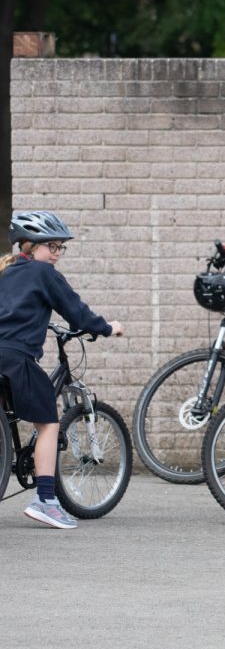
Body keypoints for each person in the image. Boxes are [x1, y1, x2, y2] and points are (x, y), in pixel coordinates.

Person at [0, 211, 124, 529]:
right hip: (16, 358)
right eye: (50, 246)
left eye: (60, 248)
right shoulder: (45, 274)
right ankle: (45, 500)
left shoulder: (4, 269)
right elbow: (77, 314)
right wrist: (107, 328)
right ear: (28, 246)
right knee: (49, 424)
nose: (56, 254)